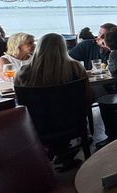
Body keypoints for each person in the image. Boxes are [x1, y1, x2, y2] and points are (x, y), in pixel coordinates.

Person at [16, 32, 93, 169]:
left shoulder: (24, 73)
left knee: (50, 118)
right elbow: (88, 98)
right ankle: (64, 152)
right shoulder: (75, 68)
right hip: (72, 122)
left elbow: (22, 106)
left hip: (38, 125)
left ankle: (59, 151)